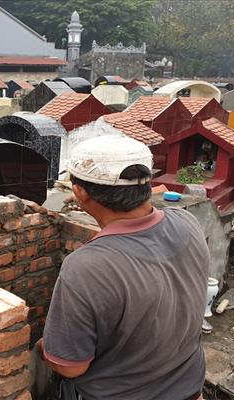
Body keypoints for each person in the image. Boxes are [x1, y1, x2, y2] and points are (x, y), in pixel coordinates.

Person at [36, 135, 209, 400]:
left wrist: (47, 349)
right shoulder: (187, 223)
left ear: (80, 192)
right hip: (188, 389)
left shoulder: (85, 268)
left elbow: (71, 368)